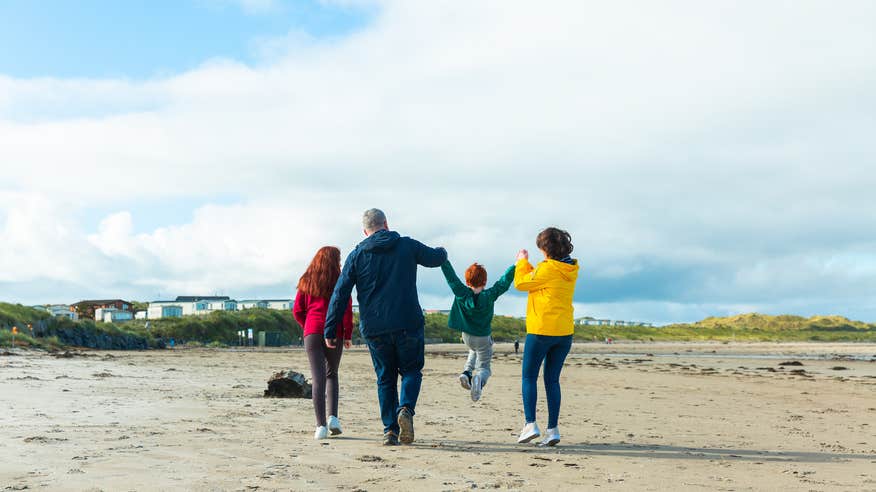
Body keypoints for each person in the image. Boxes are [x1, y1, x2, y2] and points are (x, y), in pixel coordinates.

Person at [324, 209, 446, 446]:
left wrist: (330, 328)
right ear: (386, 224)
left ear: (365, 231)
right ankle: (406, 409)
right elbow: (435, 258)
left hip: (375, 327)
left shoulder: (357, 255)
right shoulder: (407, 245)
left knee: (385, 378)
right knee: (411, 371)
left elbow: (340, 293)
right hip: (407, 322)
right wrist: (444, 251)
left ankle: (390, 430)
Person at [514, 227, 579, 447]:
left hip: (541, 330)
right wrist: (530, 267)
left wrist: (521, 262)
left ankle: (530, 424)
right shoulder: (570, 268)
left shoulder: (547, 268)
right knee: (552, 380)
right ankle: (553, 429)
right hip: (564, 332)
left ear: (545, 248)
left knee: (529, 377)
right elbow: (538, 279)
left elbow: (522, 282)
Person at [293, 246, 354, 440]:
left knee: (317, 378)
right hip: (334, 331)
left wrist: (308, 327)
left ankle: (320, 426)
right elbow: (346, 309)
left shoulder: (306, 281)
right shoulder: (340, 281)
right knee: (331, 375)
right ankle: (333, 418)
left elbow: (297, 310)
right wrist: (347, 334)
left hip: (312, 331)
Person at [440, 259, 515, 401]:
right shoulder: (489, 296)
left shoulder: (462, 293)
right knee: (485, 368)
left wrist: (444, 260)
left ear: (467, 282)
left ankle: (467, 373)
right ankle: (478, 379)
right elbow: (502, 284)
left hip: (466, 336)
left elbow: (451, 278)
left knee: (473, 349)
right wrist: (515, 266)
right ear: (485, 282)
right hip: (482, 337)